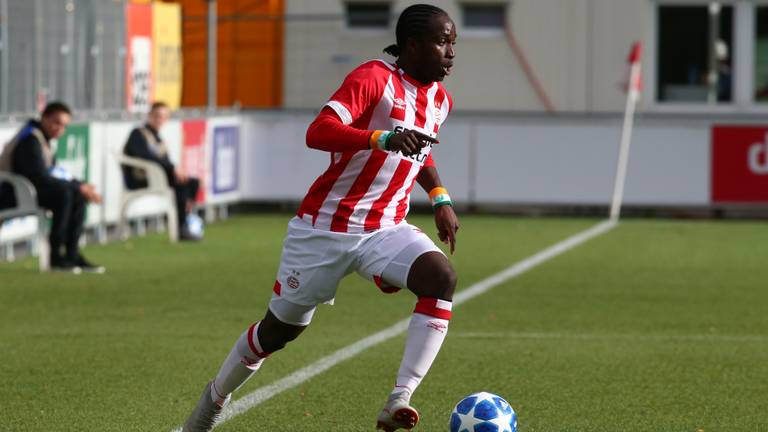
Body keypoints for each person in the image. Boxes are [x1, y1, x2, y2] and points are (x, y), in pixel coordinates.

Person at [181, 4, 458, 431]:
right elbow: (319, 130)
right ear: (413, 45)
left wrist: (439, 198)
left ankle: (399, 398)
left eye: (453, 43)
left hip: (385, 227)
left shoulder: (440, 100)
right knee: (277, 334)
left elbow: (419, 149)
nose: (451, 53)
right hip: (325, 229)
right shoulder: (373, 79)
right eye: (443, 42)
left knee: (440, 277)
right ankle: (212, 403)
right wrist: (380, 137)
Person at [0, 101, 104, 273]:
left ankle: (72, 255)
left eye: (64, 125)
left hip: (28, 191)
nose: (60, 129)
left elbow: (53, 173)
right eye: (56, 122)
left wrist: (79, 186)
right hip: (12, 194)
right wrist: (77, 187)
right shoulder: (30, 140)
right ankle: (55, 256)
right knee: (65, 194)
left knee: (75, 194)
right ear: (44, 118)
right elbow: (37, 176)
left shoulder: (42, 139)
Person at [122, 101, 201, 241]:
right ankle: (181, 227)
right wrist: (172, 168)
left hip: (157, 177)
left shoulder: (160, 140)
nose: (160, 120)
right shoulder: (138, 133)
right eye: (157, 116)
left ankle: (186, 217)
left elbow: (165, 162)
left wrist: (175, 169)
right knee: (181, 184)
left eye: (164, 117)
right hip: (138, 179)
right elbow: (144, 155)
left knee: (192, 182)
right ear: (149, 115)